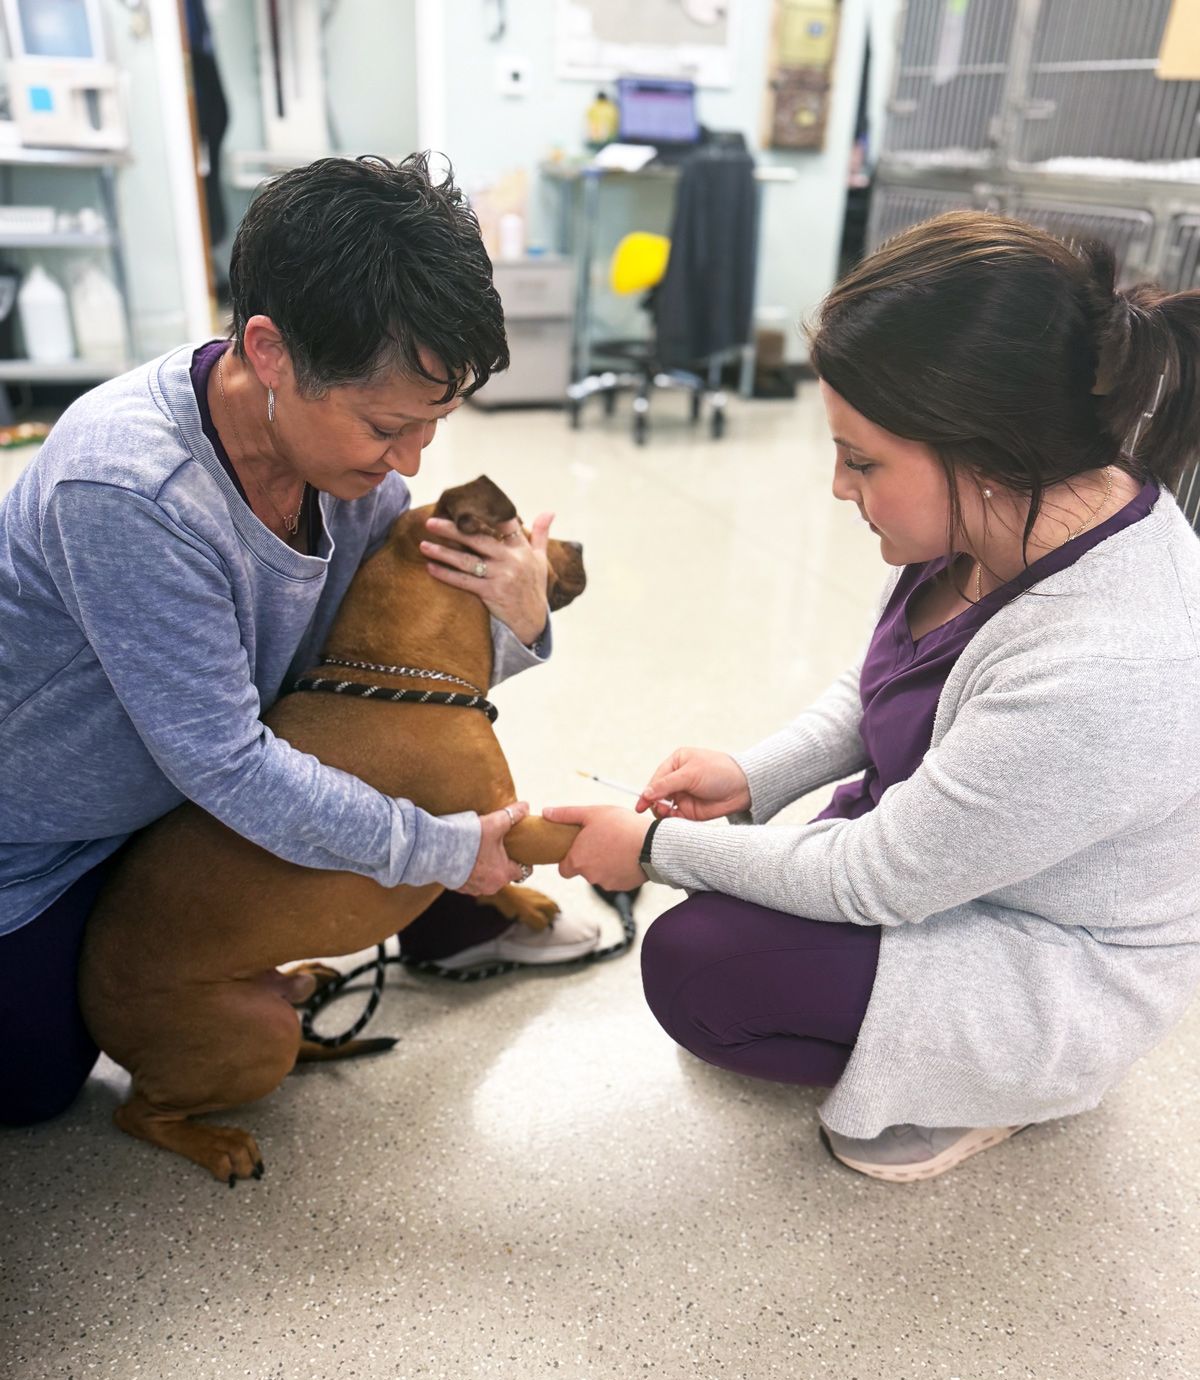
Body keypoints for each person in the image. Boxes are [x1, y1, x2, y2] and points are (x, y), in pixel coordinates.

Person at [545, 212, 1200, 1183]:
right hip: (948, 857)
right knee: (733, 921)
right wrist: (751, 775)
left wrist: (648, 849)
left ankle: (1004, 1087)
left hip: (1049, 956)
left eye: (862, 460)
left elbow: (873, 878)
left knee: (700, 973)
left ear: (983, 448)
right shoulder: (1002, 512)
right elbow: (883, 682)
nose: (839, 488)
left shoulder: (1109, 657)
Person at [0, 153, 598, 1128]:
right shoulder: (129, 491)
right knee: (36, 1086)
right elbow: (229, 764)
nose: (410, 463)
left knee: (419, 775)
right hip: (39, 838)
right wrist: (438, 846)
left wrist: (524, 616)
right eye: (384, 426)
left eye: (433, 426)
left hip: (178, 813)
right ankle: (451, 890)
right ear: (269, 351)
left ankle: (446, 910)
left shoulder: (347, 474)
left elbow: (386, 681)